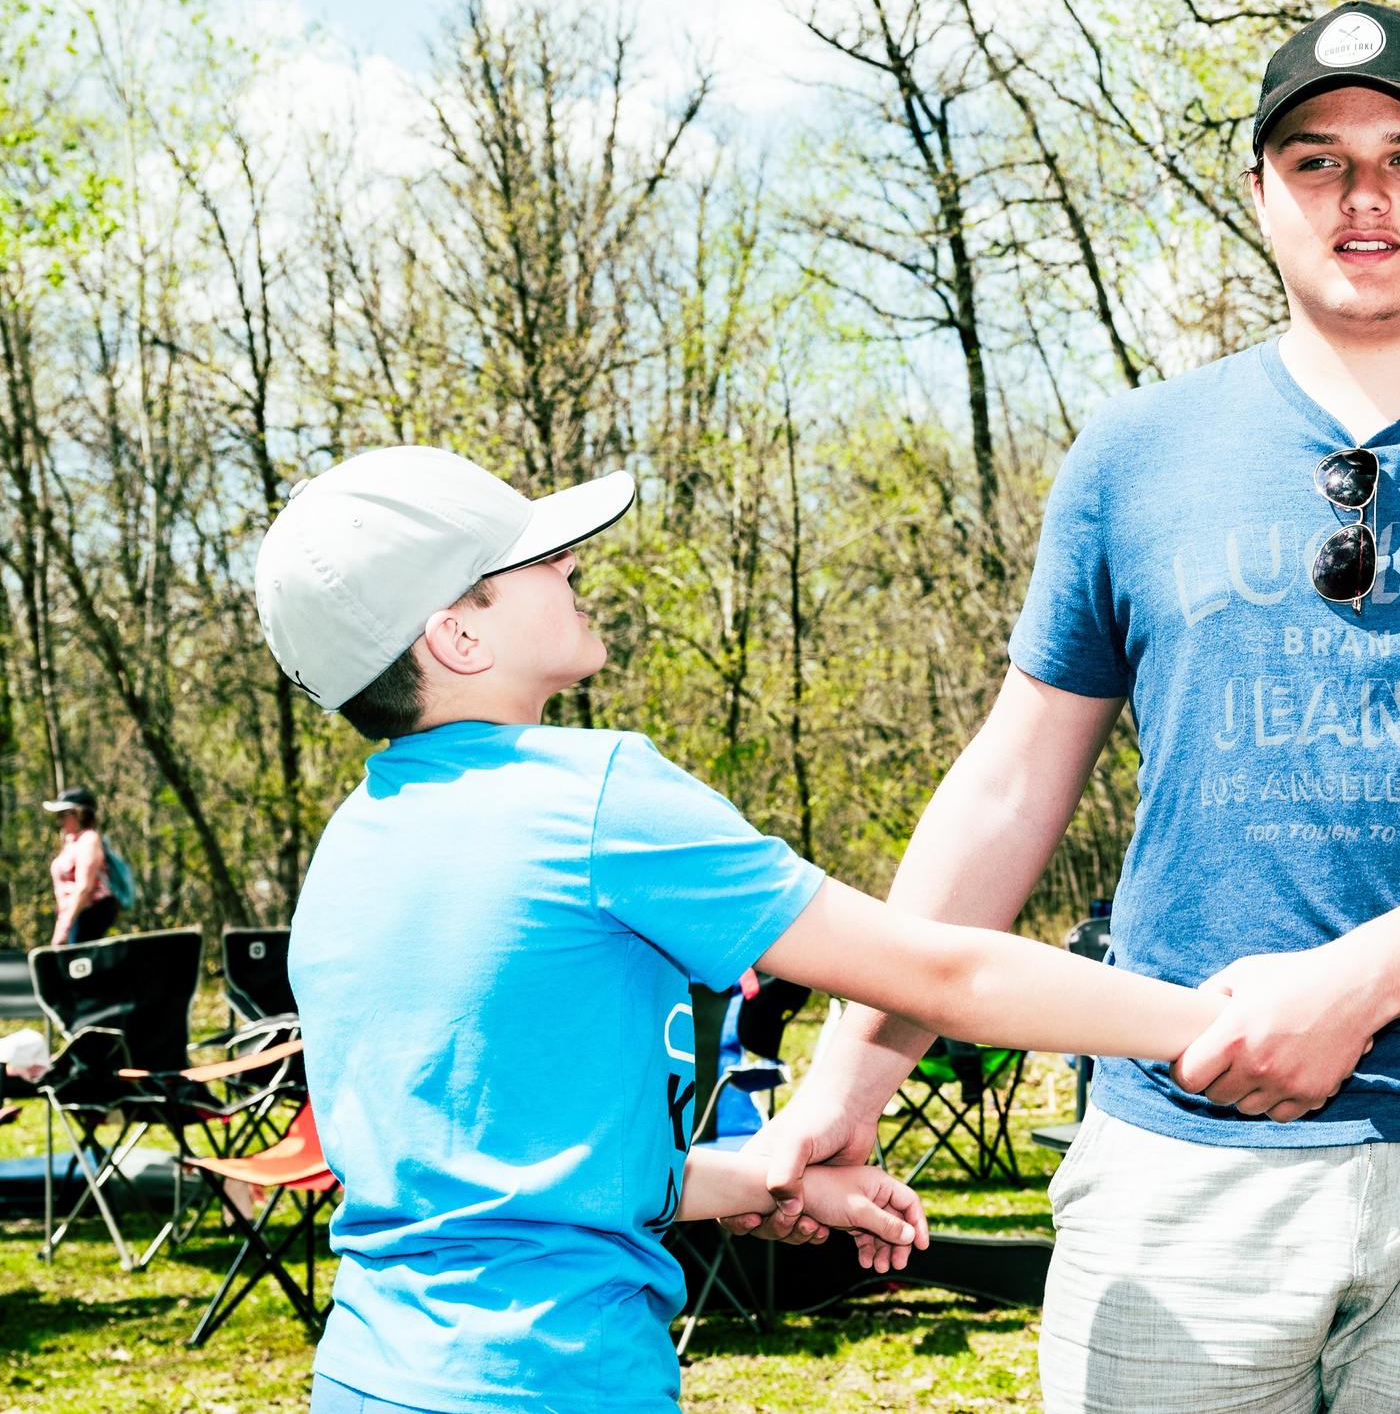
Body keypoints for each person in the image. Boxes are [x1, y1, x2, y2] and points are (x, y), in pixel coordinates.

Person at [727, 2, 1400, 1413]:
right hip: (1179, 1150)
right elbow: (1009, 790)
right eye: (1316, 161)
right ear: (1259, 195)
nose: (1362, 195)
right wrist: (844, 1085)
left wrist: (1349, 988)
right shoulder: (1132, 453)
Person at [257, 445, 1224, 1414]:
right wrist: (1212, 1023)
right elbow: (941, 975)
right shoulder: (596, 798)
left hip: (369, 1374)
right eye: (536, 560)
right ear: (459, 636)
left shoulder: (350, 849)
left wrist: (772, 1179)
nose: (570, 563)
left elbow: (512, 1176)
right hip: (554, 1379)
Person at [45, 788, 130, 946]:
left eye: (63, 814)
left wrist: (65, 926)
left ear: (79, 814)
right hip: (75, 915)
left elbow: (84, 887)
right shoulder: (72, 841)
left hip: (88, 913)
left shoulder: (89, 840)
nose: (59, 820)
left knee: (78, 958)